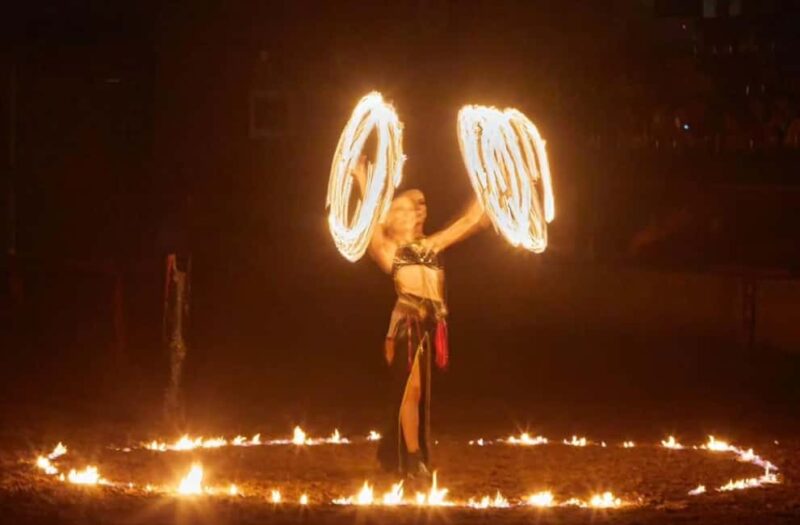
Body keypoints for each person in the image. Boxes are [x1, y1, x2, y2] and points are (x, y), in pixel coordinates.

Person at [351, 155, 487, 478]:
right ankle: (413, 459)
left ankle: (406, 454)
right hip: (405, 325)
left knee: (418, 395)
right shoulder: (391, 252)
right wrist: (361, 181)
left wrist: (490, 185)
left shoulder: (432, 245)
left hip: (431, 327)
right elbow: (370, 220)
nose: (416, 209)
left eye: (418, 205)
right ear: (396, 217)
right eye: (407, 207)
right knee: (410, 391)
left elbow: (469, 222)